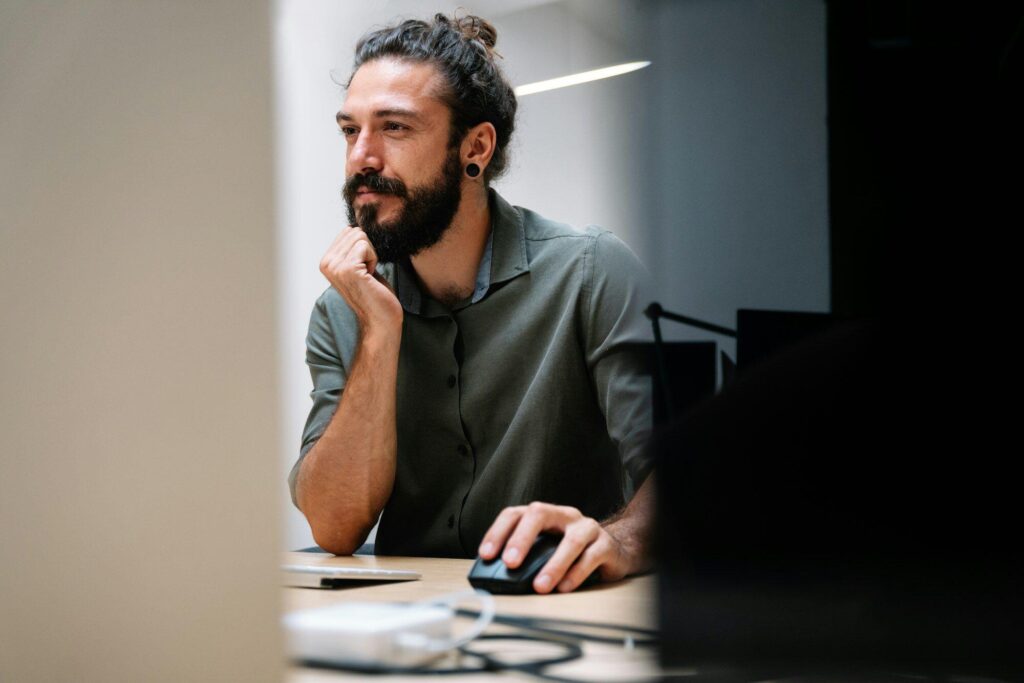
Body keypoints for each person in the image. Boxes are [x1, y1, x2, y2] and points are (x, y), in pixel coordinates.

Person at [289, 13, 654, 594]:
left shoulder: (591, 272)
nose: (362, 157)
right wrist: (381, 335)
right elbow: (336, 525)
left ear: (475, 147)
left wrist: (620, 540)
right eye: (349, 131)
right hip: (411, 617)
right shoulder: (343, 310)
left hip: (559, 603)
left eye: (395, 128)